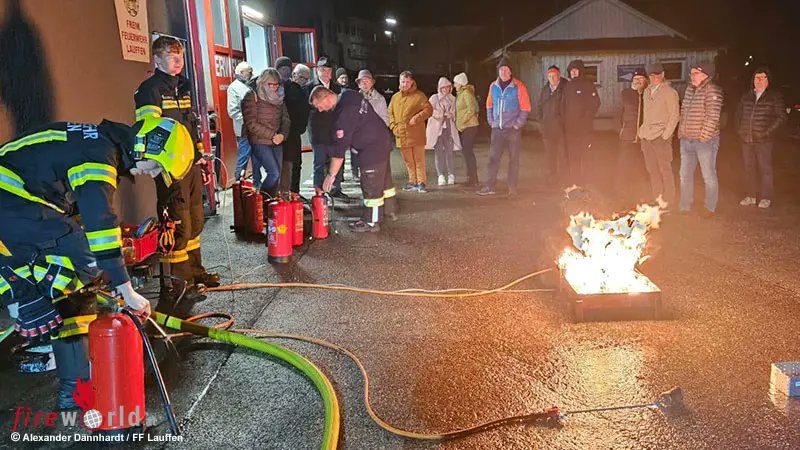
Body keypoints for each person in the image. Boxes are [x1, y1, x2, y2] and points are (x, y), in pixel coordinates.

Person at [0, 116, 193, 409]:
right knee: (84, 255)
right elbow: (99, 223)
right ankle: (22, 298)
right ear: (144, 146)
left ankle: (70, 387)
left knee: (75, 273)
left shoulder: (99, 143)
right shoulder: (98, 157)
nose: (149, 174)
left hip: (18, 202)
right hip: (10, 200)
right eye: (154, 166)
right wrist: (126, 289)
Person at [134, 36, 220, 297]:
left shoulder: (183, 87)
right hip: (170, 168)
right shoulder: (149, 90)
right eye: (172, 58)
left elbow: (188, 125)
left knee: (195, 220)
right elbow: (150, 130)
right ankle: (179, 285)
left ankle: (195, 272)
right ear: (157, 60)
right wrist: (158, 165)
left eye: (180, 57)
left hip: (190, 163)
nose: (178, 62)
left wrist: (199, 155)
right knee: (178, 223)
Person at [310, 86, 396, 232]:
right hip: (382, 141)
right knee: (384, 181)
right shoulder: (349, 95)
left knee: (371, 186)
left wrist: (331, 176)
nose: (320, 110)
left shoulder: (343, 116)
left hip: (371, 149)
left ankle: (372, 222)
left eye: (319, 106)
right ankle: (389, 210)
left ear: (326, 97)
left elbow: (339, 152)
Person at [735, 66, 787, 209]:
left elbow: (782, 117)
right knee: (748, 169)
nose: (760, 81)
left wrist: (767, 132)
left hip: (764, 140)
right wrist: (741, 131)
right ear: (753, 80)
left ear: (768, 80)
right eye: (757, 78)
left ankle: (766, 197)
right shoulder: (746, 96)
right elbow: (738, 115)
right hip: (747, 139)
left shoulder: (774, 97)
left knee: (765, 170)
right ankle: (751, 196)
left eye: (763, 78)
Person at [478, 58, 531, 197]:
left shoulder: (519, 86)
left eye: (506, 69)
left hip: (513, 130)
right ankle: (489, 186)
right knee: (493, 159)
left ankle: (512, 187)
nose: (503, 72)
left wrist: (517, 124)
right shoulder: (493, 86)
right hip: (497, 129)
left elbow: (525, 108)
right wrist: (491, 121)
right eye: (501, 69)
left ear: (511, 71)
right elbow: (489, 105)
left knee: (514, 160)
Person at [678, 62, 724, 217]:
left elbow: (713, 116)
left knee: (708, 175)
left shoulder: (712, 90)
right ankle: (685, 205)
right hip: (686, 140)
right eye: (691, 73)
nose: (692, 76)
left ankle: (709, 207)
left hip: (704, 141)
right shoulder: (690, 90)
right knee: (684, 174)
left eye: (695, 73)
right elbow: (683, 111)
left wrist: (703, 137)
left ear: (705, 75)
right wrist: (682, 132)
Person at [241, 68, 291, 198]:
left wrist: (282, 135)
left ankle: (270, 202)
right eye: (271, 84)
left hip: (277, 140)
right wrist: (272, 135)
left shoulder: (280, 97)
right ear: (263, 83)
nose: (275, 88)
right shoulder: (252, 96)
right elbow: (251, 123)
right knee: (273, 172)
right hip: (260, 141)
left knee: (277, 174)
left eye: (277, 84)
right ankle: (262, 200)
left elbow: (285, 118)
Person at [638, 64, 680, 206]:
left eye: (657, 74)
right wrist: (642, 132)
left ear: (662, 75)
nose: (654, 77)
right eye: (651, 75)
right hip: (646, 136)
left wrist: (666, 135)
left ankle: (670, 200)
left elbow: (674, 116)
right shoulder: (646, 91)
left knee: (665, 170)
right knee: (652, 170)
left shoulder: (669, 92)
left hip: (660, 137)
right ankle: (658, 198)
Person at [308, 57, 347, 198]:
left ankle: (336, 190)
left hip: (335, 132)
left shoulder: (338, 89)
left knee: (337, 160)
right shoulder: (309, 87)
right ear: (317, 70)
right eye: (322, 70)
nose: (325, 73)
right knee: (319, 163)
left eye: (328, 70)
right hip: (318, 133)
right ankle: (319, 190)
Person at [389, 71, 433, 192]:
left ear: (412, 82)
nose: (405, 84)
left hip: (416, 135)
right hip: (401, 135)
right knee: (408, 161)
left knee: (419, 160)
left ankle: (421, 182)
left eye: (408, 82)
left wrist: (417, 118)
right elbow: (390, 113)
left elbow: (428, 109)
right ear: (399, 81)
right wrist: (393, 127)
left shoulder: (419, 96)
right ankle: (412, 181)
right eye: (403, 81)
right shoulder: (395, 97)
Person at [563, 59, 601, 188]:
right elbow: (563, 105)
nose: (573, 73)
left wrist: (586, 117)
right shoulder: (567, 86)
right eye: (571, 71)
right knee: (573, 156)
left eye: (576, 70)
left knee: (586, 155)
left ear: (581, 71)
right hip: (570, 130)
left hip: (585, 129)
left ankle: (587, 181)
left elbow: (595, 103)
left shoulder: (588, 85)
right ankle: (575, 181)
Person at [275, 56, 310, 196]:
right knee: (278, 165)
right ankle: (278, 193)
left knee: (295, 163)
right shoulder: (272, 86)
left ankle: (294, 192)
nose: (285, 72)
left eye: (288, 69)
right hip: (275, 133)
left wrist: (300, 127)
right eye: (282, 69)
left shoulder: (295, 89)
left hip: (293, 133)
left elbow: (304, 110)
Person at [616, 68, 649, 201]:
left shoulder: (649, 94)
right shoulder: (626, 94)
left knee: (644, 167)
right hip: (628, 137)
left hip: (645, 138)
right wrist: (620, 129)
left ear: (646, 81)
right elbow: (618, 112)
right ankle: (620, 192)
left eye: (641, 79)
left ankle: (644, 193)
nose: (638, 81)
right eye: (635, 79)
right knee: (624, 165)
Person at [535, 65, 568, 187]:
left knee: (563, 155)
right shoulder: (545, 90)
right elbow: (539, 106)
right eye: (549, 76)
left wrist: (564, 122)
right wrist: (541, 121)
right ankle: (552, 178)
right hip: (547, 129)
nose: (552, 78)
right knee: (550, 156)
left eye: (554, 76)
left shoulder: (565, 88)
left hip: (561, 129)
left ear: (558, 76)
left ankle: (564, 179)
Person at [228, 61, 260, 183]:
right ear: (241, 73)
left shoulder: (252, 85)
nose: (251, 73)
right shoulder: (233, 88)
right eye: (249, 71)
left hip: (256, 128)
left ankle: (257, 184)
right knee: (244, 156)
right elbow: (233, 111)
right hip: (244, 129)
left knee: (257, 157)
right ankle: (239, 184)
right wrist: (249, 119)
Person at [426, 77, 461, 186]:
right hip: (436, 130)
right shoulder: (434, 98)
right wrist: (440, 115)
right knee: (438, 153)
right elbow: (429, 110)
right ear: (439, 88)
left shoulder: (453, 99)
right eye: (443, 87)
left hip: (449, 129)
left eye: (448, 87)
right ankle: (440, 175)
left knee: (449, 153)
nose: (445, 89)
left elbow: (456, 112)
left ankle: (451, 174)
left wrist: (452, 115)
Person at [357, 69, 390, 182]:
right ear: (359, 84)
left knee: (379, 168)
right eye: (362, 81)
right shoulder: (355, 99)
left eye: (367, 81)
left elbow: (386, 120)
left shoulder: (379, 99)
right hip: (360, 140)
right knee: (363, 170)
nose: (365, 84)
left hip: (376, 140)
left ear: (372, 83)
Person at [453, 72, 480, 187]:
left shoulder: (466, 93)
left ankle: (473, 179)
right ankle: (471, 178)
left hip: (469, 126)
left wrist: (462, 121)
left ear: (460, 83)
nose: (454, 85)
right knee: (467, 152)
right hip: (466, 126)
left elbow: (471, 109)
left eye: (455, 82)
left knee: (468, 153)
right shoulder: (461, 93)